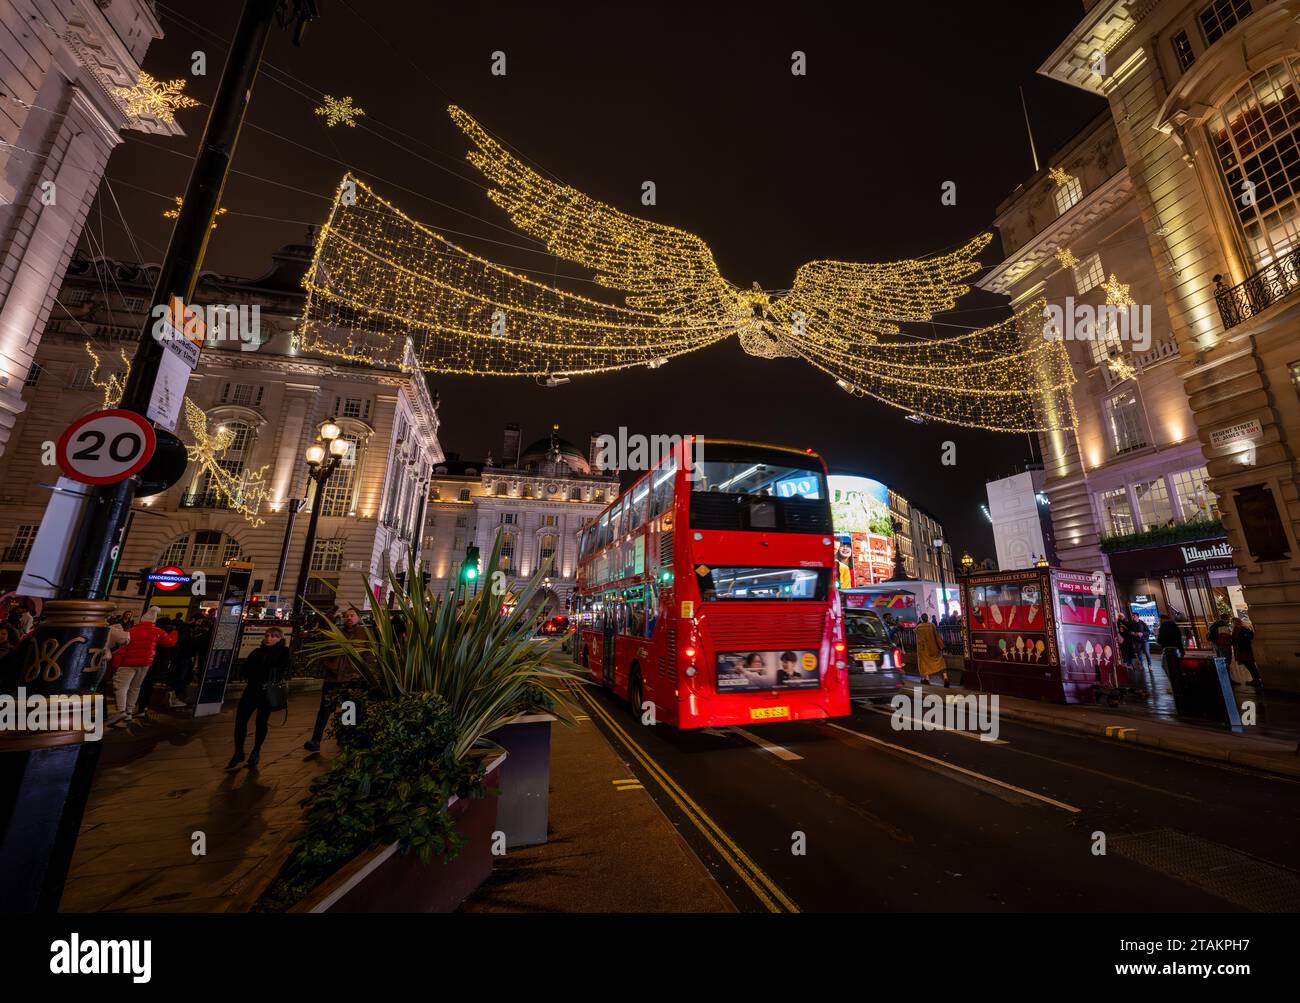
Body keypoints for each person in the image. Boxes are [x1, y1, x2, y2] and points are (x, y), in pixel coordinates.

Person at [226, 626, 291, 770]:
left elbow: (281, 668)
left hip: (266, 693)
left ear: (280, 638)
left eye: (274, 636)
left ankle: (256, 751)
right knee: (240, 721)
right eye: (267, 635)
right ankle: (238, 751)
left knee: (261, 722)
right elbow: (245, 669)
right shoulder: (257, 651)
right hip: (251, 691)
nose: (269, 638)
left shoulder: (283, 652)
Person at [305, 607, 367, 752]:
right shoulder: (336, 631)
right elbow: (323, 626)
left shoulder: (363, 634)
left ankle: (345, 736)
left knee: (348, 709)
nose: (349, 618)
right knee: (324, 710)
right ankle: (316, 740)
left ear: (358, 618)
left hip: (351, 677)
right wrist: (332, 612)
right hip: (332, 677)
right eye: (347, 616)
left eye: (352, 615)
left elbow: (368, 655)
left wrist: (363, 673)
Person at [111, 607, 178, 727]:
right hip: (145, 663)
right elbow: (170, 642)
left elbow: (122, 648)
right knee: (135, 688)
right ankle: (129, 712)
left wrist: (116, 663)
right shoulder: (158, 631)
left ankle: (121, 711)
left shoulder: (132, 630)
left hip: (128, 663)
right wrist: (174, 632)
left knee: (121, 686)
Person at [1156, 611, 1186, 709]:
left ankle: (1174, 687)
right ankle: (1178, 686)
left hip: (1168, 650)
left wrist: (1158, 639)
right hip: (1176, 650)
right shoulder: (1174, 626)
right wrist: (1182, 651)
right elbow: (1179, 639)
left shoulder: (1163, 627)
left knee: (1167, 667)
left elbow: (1160, 640)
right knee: (1175, 668)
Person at [915, 613, 947, 686]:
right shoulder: (931, 625)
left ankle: (926, 679)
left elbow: (918, 640)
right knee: (941, 662)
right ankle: (945, 677)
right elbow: (936, 636)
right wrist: (941, 646)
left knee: (924, 664)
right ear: (927, 618)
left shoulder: (918, 628)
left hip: (923, 650)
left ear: (921, 619)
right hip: (934, 648)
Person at [1231, 617, 1262, 688]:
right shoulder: (1244, 628)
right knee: (1250, 665)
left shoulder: (1238, 629)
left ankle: (1256, 679)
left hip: (1243, 650)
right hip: (1247, 649)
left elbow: (1235, 639)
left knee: (1249, 665)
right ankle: (1256, 678)